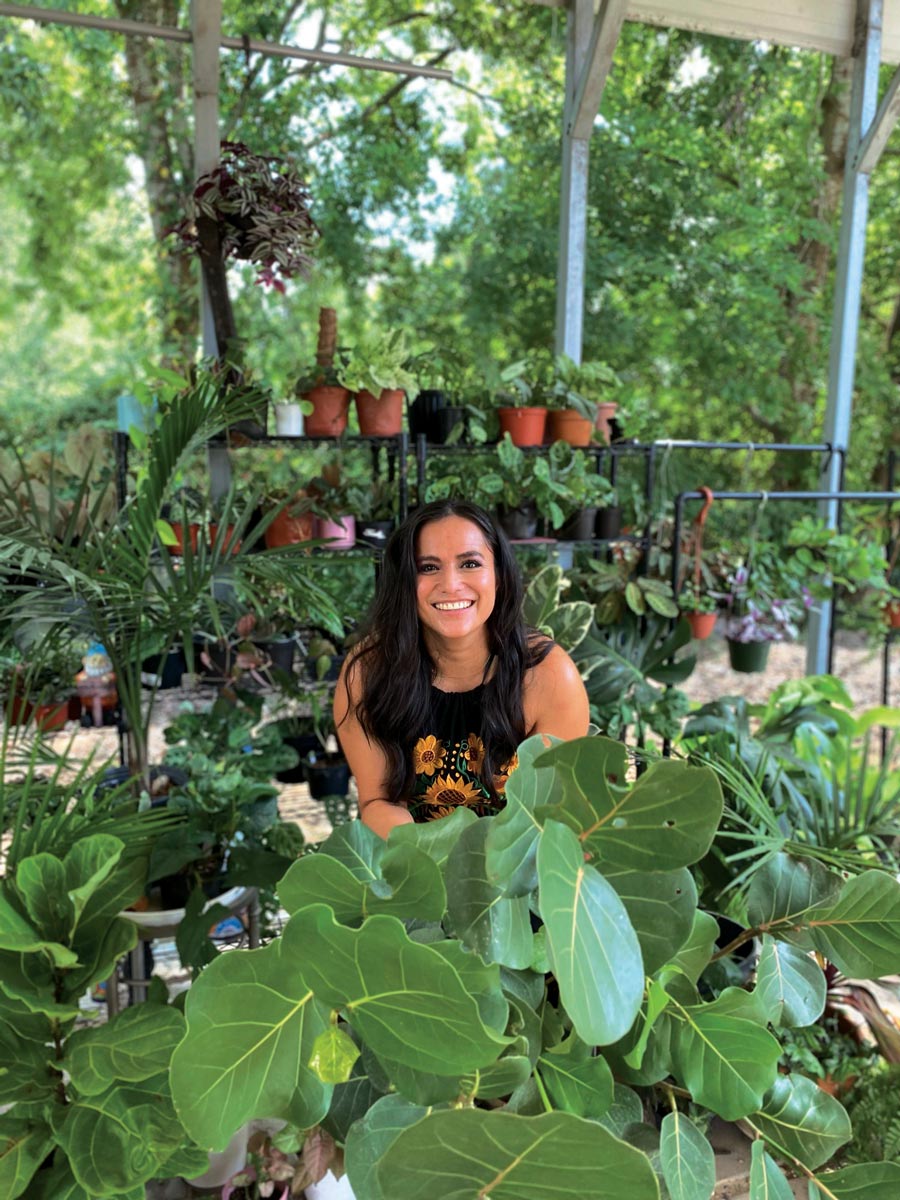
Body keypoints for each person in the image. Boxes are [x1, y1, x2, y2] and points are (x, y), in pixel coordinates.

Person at [334, 499, 590, 838]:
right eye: (427, 567)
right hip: (409, 866)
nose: (451, 584)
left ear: (499, 575)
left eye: (470, 563)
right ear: (404, 583)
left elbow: (550, 819)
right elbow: (378, 803)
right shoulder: (368, 672)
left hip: (516, 872)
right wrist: (434, 870)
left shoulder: (549, 676)